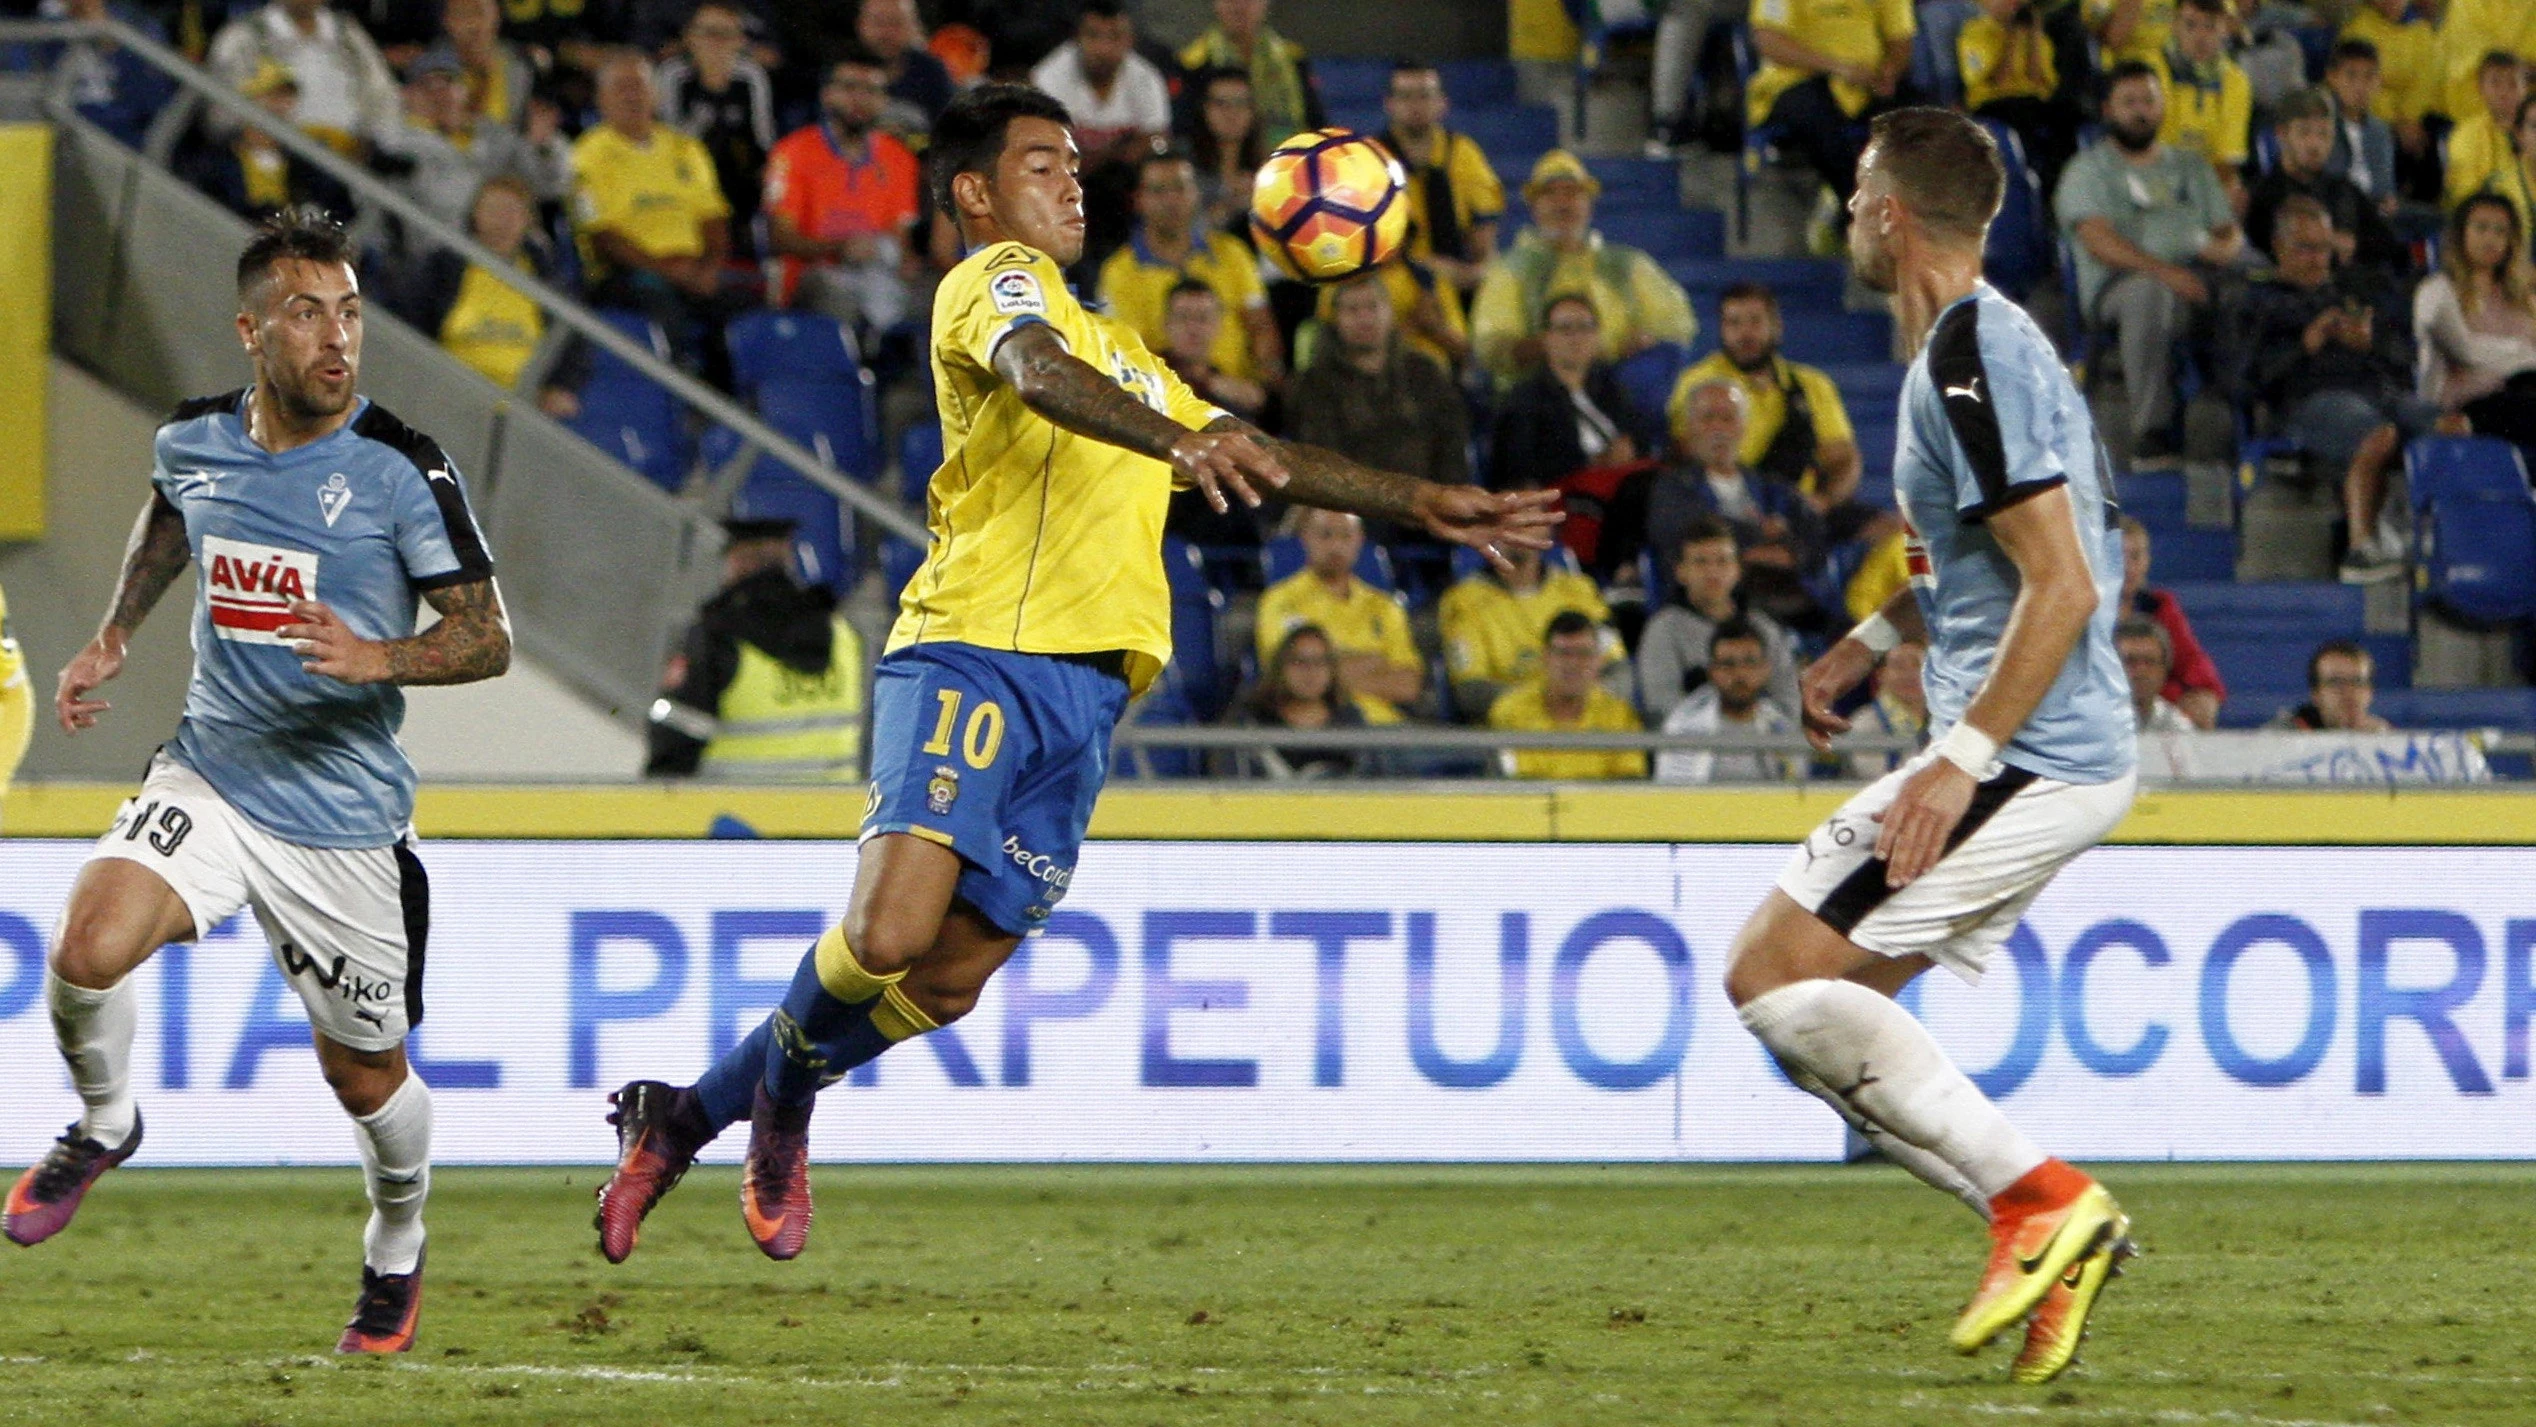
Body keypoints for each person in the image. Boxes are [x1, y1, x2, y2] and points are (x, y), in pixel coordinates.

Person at [589, 84, 1556, 1265]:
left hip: (1088, 694)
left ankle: (688, 1112)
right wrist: (1175, 442)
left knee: (949, 981)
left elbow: (1258, 452)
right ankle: (781, 1102)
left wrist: (1422, 501)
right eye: (1043, 163)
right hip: (977, 645)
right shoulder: (994, 284)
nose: (1070, 181)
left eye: (1072, 165)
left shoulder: (1130, 353)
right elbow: (1037, 374)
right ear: (977, 193)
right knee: (888, 930)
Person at [3, 211, 509, 1353]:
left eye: (350, 313)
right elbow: (176, 515)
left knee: (367, 1074)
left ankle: (396, 1246)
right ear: (250, 330)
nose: (337, 338)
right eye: (306, 312)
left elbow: (487, 637)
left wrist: (377, 655)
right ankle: (107, 1120)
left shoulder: (402, 466)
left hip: (341, 819)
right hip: (214, 770)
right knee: (86, 946)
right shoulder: (194, 439)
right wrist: (114, 633)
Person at [1728, 109, 2139, 1390]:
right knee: (1805, 1000)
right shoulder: (1992, 351)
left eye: (1856, 194)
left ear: (1892, 214)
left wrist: (1958, 755)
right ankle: (2050, 1221)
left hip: (2032, 752)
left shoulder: (1967, 357)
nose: (1846, 214)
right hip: (2032, 743)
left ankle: (2038, 1203)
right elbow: (2015, 554)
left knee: (1785, 981)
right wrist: (1865, 638)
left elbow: (2062, 584)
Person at [2232, 198, 2438, 583]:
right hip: (2308, 403)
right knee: (2379, 434)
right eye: (2306, 248)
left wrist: (2369, 344)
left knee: (2447, 425)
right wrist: (2304, 346)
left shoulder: (2354, 292)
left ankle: (2432, 537)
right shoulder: (2257, 300)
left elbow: (2406, 359)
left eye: (2325, 247)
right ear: (2278, 247)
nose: (2318, 259)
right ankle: (2362, 550)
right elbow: (2244, 384)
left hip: (2378, 394)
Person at [2056, 60, 2242, 465]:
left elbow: (2228, 233)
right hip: (2118, 287)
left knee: (2246, 292)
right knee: (2150, 294)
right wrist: (2167, 273)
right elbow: (2098, 241)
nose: (2141, 111)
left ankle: (2244, 422)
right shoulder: (2088, 170)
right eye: (2129, 102)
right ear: (2108, 110)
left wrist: (2222, 252)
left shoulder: (2191, 167)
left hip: (2197, 277)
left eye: (2149, 101)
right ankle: (2152, 434)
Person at [646, 517, 864, 780]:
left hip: (739, 811)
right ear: (789, 559)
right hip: (830, 811)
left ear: (737, 561)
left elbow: (678, 731)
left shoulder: (717, 633)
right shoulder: (843, 631)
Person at [570, 52, 739, 386]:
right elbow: (601, 236)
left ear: (657, 94)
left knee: (746, 313)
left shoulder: (687, 149)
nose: (633, 94)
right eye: (621, 87)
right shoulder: (585, 154)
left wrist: (708, 268)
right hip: (627, 272)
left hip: (693, 268)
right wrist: (665, 269)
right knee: (661, 310)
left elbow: (714, 219)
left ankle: (739, 414)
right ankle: (677, 406)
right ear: (601, 99)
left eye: (640, 85)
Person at [1666, 281, 1875, 540]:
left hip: (1802, 507)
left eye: (1755, 321)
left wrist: (1822, 502)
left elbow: (1843, 459)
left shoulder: (1812, 385)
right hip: (1731, 510)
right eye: (1734, 323)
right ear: (1721, 329)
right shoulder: (1698, 383)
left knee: (1890, 532)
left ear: (1776, 327)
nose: (1745, 334)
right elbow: (1685, 453)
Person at [1471, 151, 1697, 384]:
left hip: (1619, 379)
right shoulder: (1512, 269)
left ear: (1589, 204)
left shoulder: (1626, 263)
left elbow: (1675, 322)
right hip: (1543, 388)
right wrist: (1561, 346)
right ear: (1534, 207)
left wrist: (1647, 338)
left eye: (1571, 193)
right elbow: (1492, 347)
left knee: (1668, 357)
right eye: (1549, 194)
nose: (1562, 204)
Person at [761, 45, 922, 331]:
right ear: (827, 94)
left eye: (872, 90)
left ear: (885, 101)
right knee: (835, 290)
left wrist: (905, 262)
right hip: (812, 276)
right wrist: (841, 248)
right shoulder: (793, 152)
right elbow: (779, 238)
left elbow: (900, 240)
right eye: (849, 87)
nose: (860, 99)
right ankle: (856, 369)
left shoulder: (899, 158)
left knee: (945, 295)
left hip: (877, 276)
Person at [1098, 149, 1282, 389]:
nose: (1171, 200)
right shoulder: (1119, 272)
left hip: (1238, 399)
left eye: (1180, 187)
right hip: (1164, 402)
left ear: (1196, 193)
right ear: (1139, 200)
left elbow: (1261, 327)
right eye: (1158, 191)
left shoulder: (1232, 253)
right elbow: (1127, 356)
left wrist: (1266, 388)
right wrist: (1205, 383)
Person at [1645, 379, 1823, 607]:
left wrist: (1793, 554)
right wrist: (1761, 539)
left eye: (1728, 418)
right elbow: (1685, 530)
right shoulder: (1672, 487)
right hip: (1705, 607)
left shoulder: (1771, 488)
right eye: (1708, 418)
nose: (1718, 428)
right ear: (1690, 427)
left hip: (1781, 599)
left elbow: (1813, 532)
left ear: (1743, 426)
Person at [1285, 273, 1470, 491]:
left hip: (1428, 503)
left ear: (1390, 312)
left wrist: (1445, 496)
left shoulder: (1424, 371)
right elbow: (1319, 457)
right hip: (1353, 506)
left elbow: (1451, 443)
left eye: (1373, 307)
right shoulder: (1314, 383)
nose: (1364, 318)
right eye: (1352, 310)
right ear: (1335, 319)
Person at [375, 48, 569, 237]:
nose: (440, 94)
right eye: (427, 85)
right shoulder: (395, 144)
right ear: (407, 95)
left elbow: (550, 187)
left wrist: (543, 147)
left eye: (449, 82)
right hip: (441, 253)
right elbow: (437, 201)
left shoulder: (492, 135)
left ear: (464, 92)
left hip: (504, 249)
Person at [1743, 0, 1916, 212]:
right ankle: (1856, 210)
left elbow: (1901, 39)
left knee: (1922, 116)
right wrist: (1839, 68)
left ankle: (1927, 219)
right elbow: (1769, 41)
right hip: (1796, 80)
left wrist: (1890, 72)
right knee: (1816, 117)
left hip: (1866, 84)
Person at [1486, 293, 1662, 494]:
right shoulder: (1523, 400)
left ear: (1597, 335)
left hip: (1623, 492)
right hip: (1568, 503)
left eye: (1584, 328)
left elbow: (1643, 440)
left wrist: (1630, 450)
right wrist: (1593, 462)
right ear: (1545, 338)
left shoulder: (1612, 389)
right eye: (1565, 329)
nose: (1576, 338)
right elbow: (1517, 471)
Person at [1256, 509, 1425, 717]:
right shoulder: (1279, 601)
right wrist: (1375, 663)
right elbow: (1289, 675)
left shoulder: (1386, 607)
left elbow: (1408, 687)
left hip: (1387, 732)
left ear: (1360, 540)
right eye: (1325, 535)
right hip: (1323, 731)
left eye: (1346, 535)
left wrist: (1330, 669)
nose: (1336, 546)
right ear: (1305, 537)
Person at [404, 175, 561, 395]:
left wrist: (560, 387)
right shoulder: (443, 266)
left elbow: (572, 342)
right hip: (448, 390)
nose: (503, 219)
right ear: (475, 214)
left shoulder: (545, 274)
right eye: (494, 209)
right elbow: (411, 320)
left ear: (528, 220)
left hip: (524, 401)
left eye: (512, 211)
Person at [1636, 517, 1802, 721]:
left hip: (1760, 743)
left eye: (1723, 561)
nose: (1712, 572)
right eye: (1700, 562)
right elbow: (1662, 706)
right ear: (1681, 572)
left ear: (1738, 570)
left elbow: (1789, 700)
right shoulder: (1664, 629)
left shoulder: (1763, 627)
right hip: (1695, 746)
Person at [2414, 192, 2536, 453]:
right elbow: (2465, 351)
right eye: (2481, 228)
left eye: (2500, 232)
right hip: (2465, 405)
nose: (2491, 239)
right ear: (2461, 234)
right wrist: (2526, 354)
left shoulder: (2523, 298)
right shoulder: (2436, 291)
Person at [657, 0, 778, 258]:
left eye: (726, 35)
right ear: (690, 38)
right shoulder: (673, 75)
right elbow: (668, 145)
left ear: (741, 41)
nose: (717, 42)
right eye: (708, 33)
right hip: (684, 183)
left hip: (737, 182)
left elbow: (763, 144)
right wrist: (709, 95)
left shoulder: (751, 77)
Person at [1439, 543, 1614, 721]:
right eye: (1512, 516)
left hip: (1590, 726)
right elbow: (1471, 691)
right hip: (1509, 730)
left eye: (1529, 518)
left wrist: (1574, 701)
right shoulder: (1464, 600)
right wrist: (1547, 702)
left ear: (1546, 526)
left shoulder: (1581, 590)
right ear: (1494, 529)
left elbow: (1618, 669)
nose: (1521, 527)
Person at [1378, 59, 1506, 295]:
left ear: (1443, 103)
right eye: (1406, 96)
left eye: (1425, 95)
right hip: (1390, 285)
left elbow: (1485, 245)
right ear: (1389, 104)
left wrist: (1476, 272)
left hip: (1457, 282)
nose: (1416, 105)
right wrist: (1426, 270)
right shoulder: (1371, 159)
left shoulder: (1464, 153)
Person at [208, 0, 402, 154]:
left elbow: (383, 94)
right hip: (278, 156)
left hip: (349, 156)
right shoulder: (243, 35)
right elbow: (219, 113)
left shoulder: (348, 34)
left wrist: (373, 141)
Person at [2244, 88, 2403, 275]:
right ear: (2282, 134)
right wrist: (2327, 241)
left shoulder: (2343, 190)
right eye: (2304, 133)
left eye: (2324, 134)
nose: (2315, 144)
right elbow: (2262, 253)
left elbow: (2391, 245)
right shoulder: (2262, 195)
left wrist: (2354, 245)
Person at [188, 61, 357, 223]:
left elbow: (341, 209)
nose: (282, 106)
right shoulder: (215, 160)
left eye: (287, 97)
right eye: (273, 96)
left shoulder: (304, 166)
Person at [0, 0, 178, 151]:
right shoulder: (26, 24)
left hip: (126, 141)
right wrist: (63, 21)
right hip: (59, 141)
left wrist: (111, 44)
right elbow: (25, 99)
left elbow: (155, 103)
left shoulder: (137, 24)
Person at [1487, 610, 1644, 780]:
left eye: (1584, 654)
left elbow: (1628, 787)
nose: (1573, 664)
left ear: (1599, 661)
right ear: (1545, 658)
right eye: (1563, 653)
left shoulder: (1620, 716)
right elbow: (1511, 787)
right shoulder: (1509, 711)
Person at [1029, 0, 1171, 186]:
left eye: (1115, 36)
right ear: (1077, 38)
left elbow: (1157, 139)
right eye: (1093, 35)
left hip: (1127, 185)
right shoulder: (1049, 77)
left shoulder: (1147, 80)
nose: (1103, 48)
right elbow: (1042, 144)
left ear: (1130, 40)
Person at [1211, 623, 1369, 778]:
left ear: (1332, 669)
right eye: (1299, 661)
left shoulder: (1350, 720)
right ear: (1281, 667)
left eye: (1319, 661)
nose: (1310, 671)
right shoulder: (1249, 721)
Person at [1654, 616, 1798, 783]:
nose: (1739, 674)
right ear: (1712, 671)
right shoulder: (1682, 728)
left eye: (1750, 661)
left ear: (1765, 669)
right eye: (1728, 663)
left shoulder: (1781, 727)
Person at [1958, 0, 2078, 199]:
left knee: (2070, 115)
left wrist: (2033, 36)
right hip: (1993, 102)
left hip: (2031, 102)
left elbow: (2039, 80)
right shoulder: (1975, 31)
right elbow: (2000, 81)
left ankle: (2061, 190)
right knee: (2021, 119)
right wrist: (2012, 37)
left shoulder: (2034, 35)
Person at [2115, 516, 2224, 727]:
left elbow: (2197, 669)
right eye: (2118, 557)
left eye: (2135, 557)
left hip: (2149, 708)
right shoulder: (2082, 609)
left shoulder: (2160, 607)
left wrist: (2199, 698)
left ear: (2147, 561)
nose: (2127, 567)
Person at [1175, 0, 1321, 147]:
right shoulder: (1193, 64)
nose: (1238, 5)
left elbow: (1316, 123)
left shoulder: (1292, 60)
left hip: (1287, 162)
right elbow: (1184, 132)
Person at [2149, 0, 2250, 199]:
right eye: (2191, 25)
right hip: (2153, 181)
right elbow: (2149, 153)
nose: (2201, 37)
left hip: (2205, 191)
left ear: (2226, 29)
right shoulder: (2151, 71)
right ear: (2174, 26)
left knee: (2236, 196)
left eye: (2211, 26)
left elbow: (2227, 161)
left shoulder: (2236, 81)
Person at [2323, 27, 2420, 199]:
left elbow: (2385, 187)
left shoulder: (2380, 131)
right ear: (2332, 77)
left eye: (2369, 77)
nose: (2360, 86)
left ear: (2378, 82)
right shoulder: (2322, 125)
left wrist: (2388, 200)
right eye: (2351, 76)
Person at [415, 0, 536, 131]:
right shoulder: (428, 68)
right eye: (462, 14)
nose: (473, 24)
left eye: (480, 12)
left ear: (497, 15)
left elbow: (519, 127)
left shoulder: (517, 63)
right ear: (446, 21)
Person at [1158, 280, 1268, 423]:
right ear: (1166, 323)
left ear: (1218, 324)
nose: (1193, 328)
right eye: (1183, 317)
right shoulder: (1148, 376)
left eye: (1203, 318)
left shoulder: (1229, 386)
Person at [1184, 65, 1266, 234]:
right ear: (1204, 109)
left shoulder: (1269, 168)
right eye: (1221, 104)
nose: (1231, 113)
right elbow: (1178, 233)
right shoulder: (1184, 167)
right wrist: (1230, 205)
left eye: (1241, 103)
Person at [2443, 51, 2529, 209]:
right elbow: (2466, 194)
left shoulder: (2532, 131)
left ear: (2526, 89)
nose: (2504, 92)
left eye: (2513, 84)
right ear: (2480, 88)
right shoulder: (2466, 135)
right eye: (2495, 83)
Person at [856, 0, 955, 136]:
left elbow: (950, 131)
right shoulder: (841, 69)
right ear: (861, 25)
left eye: (896, 23)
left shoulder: (931, 71)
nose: (886, 33)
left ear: (913, 27)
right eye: (878, 22)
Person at [2266, 638, 2394, 730]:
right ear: (2316, 695)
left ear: (2370, 691)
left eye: (2357, 682)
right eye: (2336, 682)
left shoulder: (2384, 739)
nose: (2348, 692)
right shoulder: (2281, 737)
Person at [1846, 636, 1927, 776]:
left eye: (1917, 665)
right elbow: (1874, 780)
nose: (1909, 675)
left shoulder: (1948, 719)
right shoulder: (1864, 723)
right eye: (1898, 666)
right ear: (1881, 675)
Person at [2115, 617, 2194, 731]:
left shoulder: (2176, 726)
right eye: (2130, 661)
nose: (2141, 671)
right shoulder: (2090, 722)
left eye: (2150, 661)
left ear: (2164, 670)